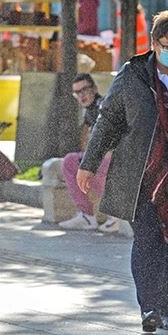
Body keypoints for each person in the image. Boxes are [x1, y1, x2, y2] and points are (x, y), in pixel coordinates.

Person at [77, 10, 168, 333]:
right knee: (149, 241)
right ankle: (149, 307)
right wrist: (89, 163)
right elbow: (108, 120)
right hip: (144, 174)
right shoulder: (133, 75)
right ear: (154, 43)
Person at [58, 74, 120, 233]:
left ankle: (116, 214)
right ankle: (86, 215)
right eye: (77, 93)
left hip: (120, 157)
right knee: (70, 162)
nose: (81, 95)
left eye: (84, 90)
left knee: (96, 165)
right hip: (102, 157)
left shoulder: (104, 106)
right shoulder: (88, 113)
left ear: (94, 89)